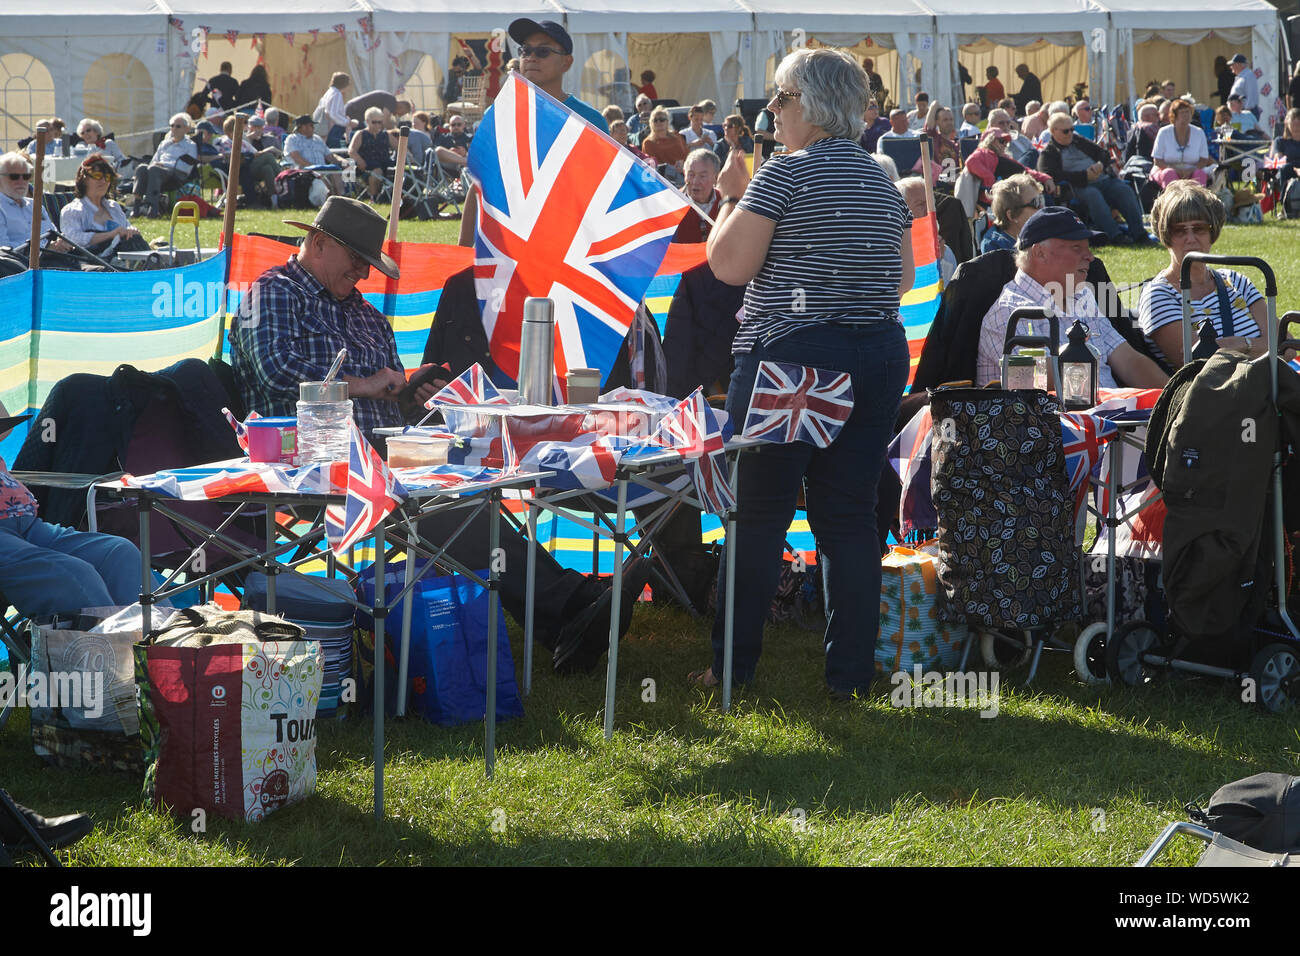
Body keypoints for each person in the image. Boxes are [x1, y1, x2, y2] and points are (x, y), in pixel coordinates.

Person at [231, 196, 649, 671]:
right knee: (449, 515)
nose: (364, 275)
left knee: (470, 494)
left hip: (386, 456)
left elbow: (391, 394)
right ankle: (572, 607)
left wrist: (415, 390)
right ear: (320, 243)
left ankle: (566, 615)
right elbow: (276, 371)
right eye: (357, 261)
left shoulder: (365, 314)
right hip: (310, 465)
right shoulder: (271, 293)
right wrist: (370, 385)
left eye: (368, 265)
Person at [695, 47, 914, 697]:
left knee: (758, 514)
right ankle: (848, 676)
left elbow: (728, 267)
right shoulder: (881, 176)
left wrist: (732, 199)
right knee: (847, 515)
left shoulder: (784, 175)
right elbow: (899, 279)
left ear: (804, 104)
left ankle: (730, 671)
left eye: (779, 100)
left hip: (792, 355)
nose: (772, 112)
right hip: (877, 351)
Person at [976, 207, 1168, 389]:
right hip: (1055, 421)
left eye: (1088, 248)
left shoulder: (1081, 294)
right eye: (1077, 248)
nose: (1090, 257)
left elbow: (1128, 361)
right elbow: (1031, 384)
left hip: (1108, 416)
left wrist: (1176, 398)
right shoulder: (1009, 312)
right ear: (1039, 253)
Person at [458, 19, 607, 248]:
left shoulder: (591, 121)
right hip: (505, 247)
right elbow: (479, 186)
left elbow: (601, 196)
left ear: (566, 63)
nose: (531, 57)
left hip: (566, 248)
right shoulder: (498, 114)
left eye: (543, 51)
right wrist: (463, 253)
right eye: (525, 50)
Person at [0, 400, 144, 616]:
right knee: (71, 573)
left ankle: (162, 645)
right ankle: (114, 647)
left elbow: (5, 426)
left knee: (119, 554)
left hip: (26, 523)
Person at [1137, 182, 1265, 368]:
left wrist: (1239, 344)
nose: (1190, 239)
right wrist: (1262, 348)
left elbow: (1286, 345)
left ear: (1212, 232)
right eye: (1179, 231)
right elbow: (1198, 364)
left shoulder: (1235, 280)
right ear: (1166, 236)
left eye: (1199, 228)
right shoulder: (1158, 295)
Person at [1038, 112, 1149, 246]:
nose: (1070, 134)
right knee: (1093, 196)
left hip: (1103, 179)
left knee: (1124, 190)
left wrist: (1100, 165)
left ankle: (1139, 233)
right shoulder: (1048, 153)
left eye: (1072, 130)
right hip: (1078, 187)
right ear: (1053, 131)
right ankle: (1114, 235)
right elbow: (1052, 174)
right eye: (1066, 131)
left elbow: (1103, 154)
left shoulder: (1078, 140)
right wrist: (1084, 175)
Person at [59, 154, 147, 256]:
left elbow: (126, 227)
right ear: (84, 179)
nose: (103, 181)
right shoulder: (73, 210)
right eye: (97, 175)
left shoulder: (114, 207)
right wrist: (111, 235)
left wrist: (132, 230)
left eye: (108, 177)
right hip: (94, 263)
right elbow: (73, 240)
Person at [0, 152, 74, 265]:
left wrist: (61, 242)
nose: (21, 181)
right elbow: (3, 251)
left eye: (26, 176)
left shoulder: (35, 205)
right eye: (14, 176)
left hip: (57, 261)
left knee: (102, 271)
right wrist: (44, 249)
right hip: (22, 269)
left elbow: (53, 233)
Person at [131, 113, 197, 218]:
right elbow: (154, 161)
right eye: (172, 126)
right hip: (158, 170)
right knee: (142, 168)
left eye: (178, 126)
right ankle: (137, 206)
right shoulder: (164, 144)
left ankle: (153, 209)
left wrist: (165, 165)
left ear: (186, 129)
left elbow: (187, 167)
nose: (174, 128)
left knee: (154, 169)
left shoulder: (190, 145)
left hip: (176, 173)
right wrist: (157, 165)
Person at [1151, 97, 1213, 189]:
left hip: (1192, 170)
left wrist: (1192, 170)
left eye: (1188, 112)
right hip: (1166, 169)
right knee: (1169, 174)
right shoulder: (1164, 132)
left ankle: (1197, 201)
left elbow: (1204, 159)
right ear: (1174, 116)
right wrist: (1175, 170)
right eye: (1182, 113)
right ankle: (1171, 201)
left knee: (1200, 174)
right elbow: (1157, 160)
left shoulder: (1199, 132)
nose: (1186, 115)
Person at [981, 172, 1045, 253]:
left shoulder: (1037, 233)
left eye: (1041, 199)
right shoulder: (996, 248)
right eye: (1036, 202)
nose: (1042, 207)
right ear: (1012, 215)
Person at [284, 114, 343, 195]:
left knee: (335, 172)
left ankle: (342, 198)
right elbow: (296, 157)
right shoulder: (292, 139)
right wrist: (314, 168)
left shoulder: (317, 139)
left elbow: (329, 156)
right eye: (311, 125)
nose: (313, 128)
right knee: (322, 178)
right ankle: (329, 199)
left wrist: (342, 161)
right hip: (305, 171)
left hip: (323, 169)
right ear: (302, 127)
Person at [673, 148, 722, 243]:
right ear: (684, 173)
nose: (695, 182)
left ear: (715, 177)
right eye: (691, 175)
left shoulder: (726, 203)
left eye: (702, 176)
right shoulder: (673, 203)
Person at [349, 107, 394, 202]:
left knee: (397, 170)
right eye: (374, 122)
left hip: (385, 163)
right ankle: (373, 197)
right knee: (377, 171)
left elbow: (400, 147)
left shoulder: (386, 135)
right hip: (367, 165)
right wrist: (360, 161)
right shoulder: (361, 134)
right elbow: (352, 151)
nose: (377, 125)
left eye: (380, 122)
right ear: (367, 121)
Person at [315, 72, 353, 149]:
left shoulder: (330, 92)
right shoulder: (336, 94)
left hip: (325, 128)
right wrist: (347, 122)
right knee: (334, 149)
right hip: (333, 129)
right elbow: (333, 114)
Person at [1269, 107, 1300, 187]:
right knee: (1285, 167)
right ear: (1286, 122)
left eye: (1299, 118)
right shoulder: (1280, 141)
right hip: (1288, 170)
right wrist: (1296, 169)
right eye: (1293, 118)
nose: (1297, 121)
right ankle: (1285, 198)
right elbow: (1279, 160)